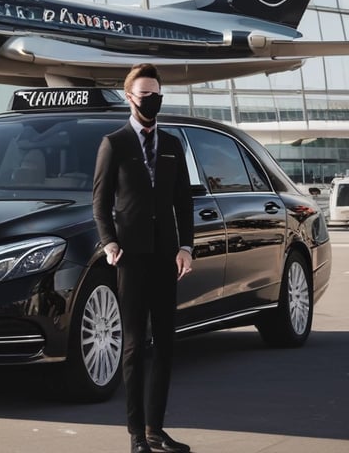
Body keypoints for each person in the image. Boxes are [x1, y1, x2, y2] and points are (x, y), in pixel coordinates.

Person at [92, 63, 194, 453]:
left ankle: (156, 429)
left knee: (166, 344)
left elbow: (184, 202)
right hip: (130, 258)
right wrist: (109, 243)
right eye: (145, 94)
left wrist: (186, 247)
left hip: (166, 256)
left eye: (156, 94)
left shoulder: (172, 144)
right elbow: (100, 203)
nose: (152, 100)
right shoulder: (114, 144)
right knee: (134, 345)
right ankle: (136, 434)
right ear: (130, 97)